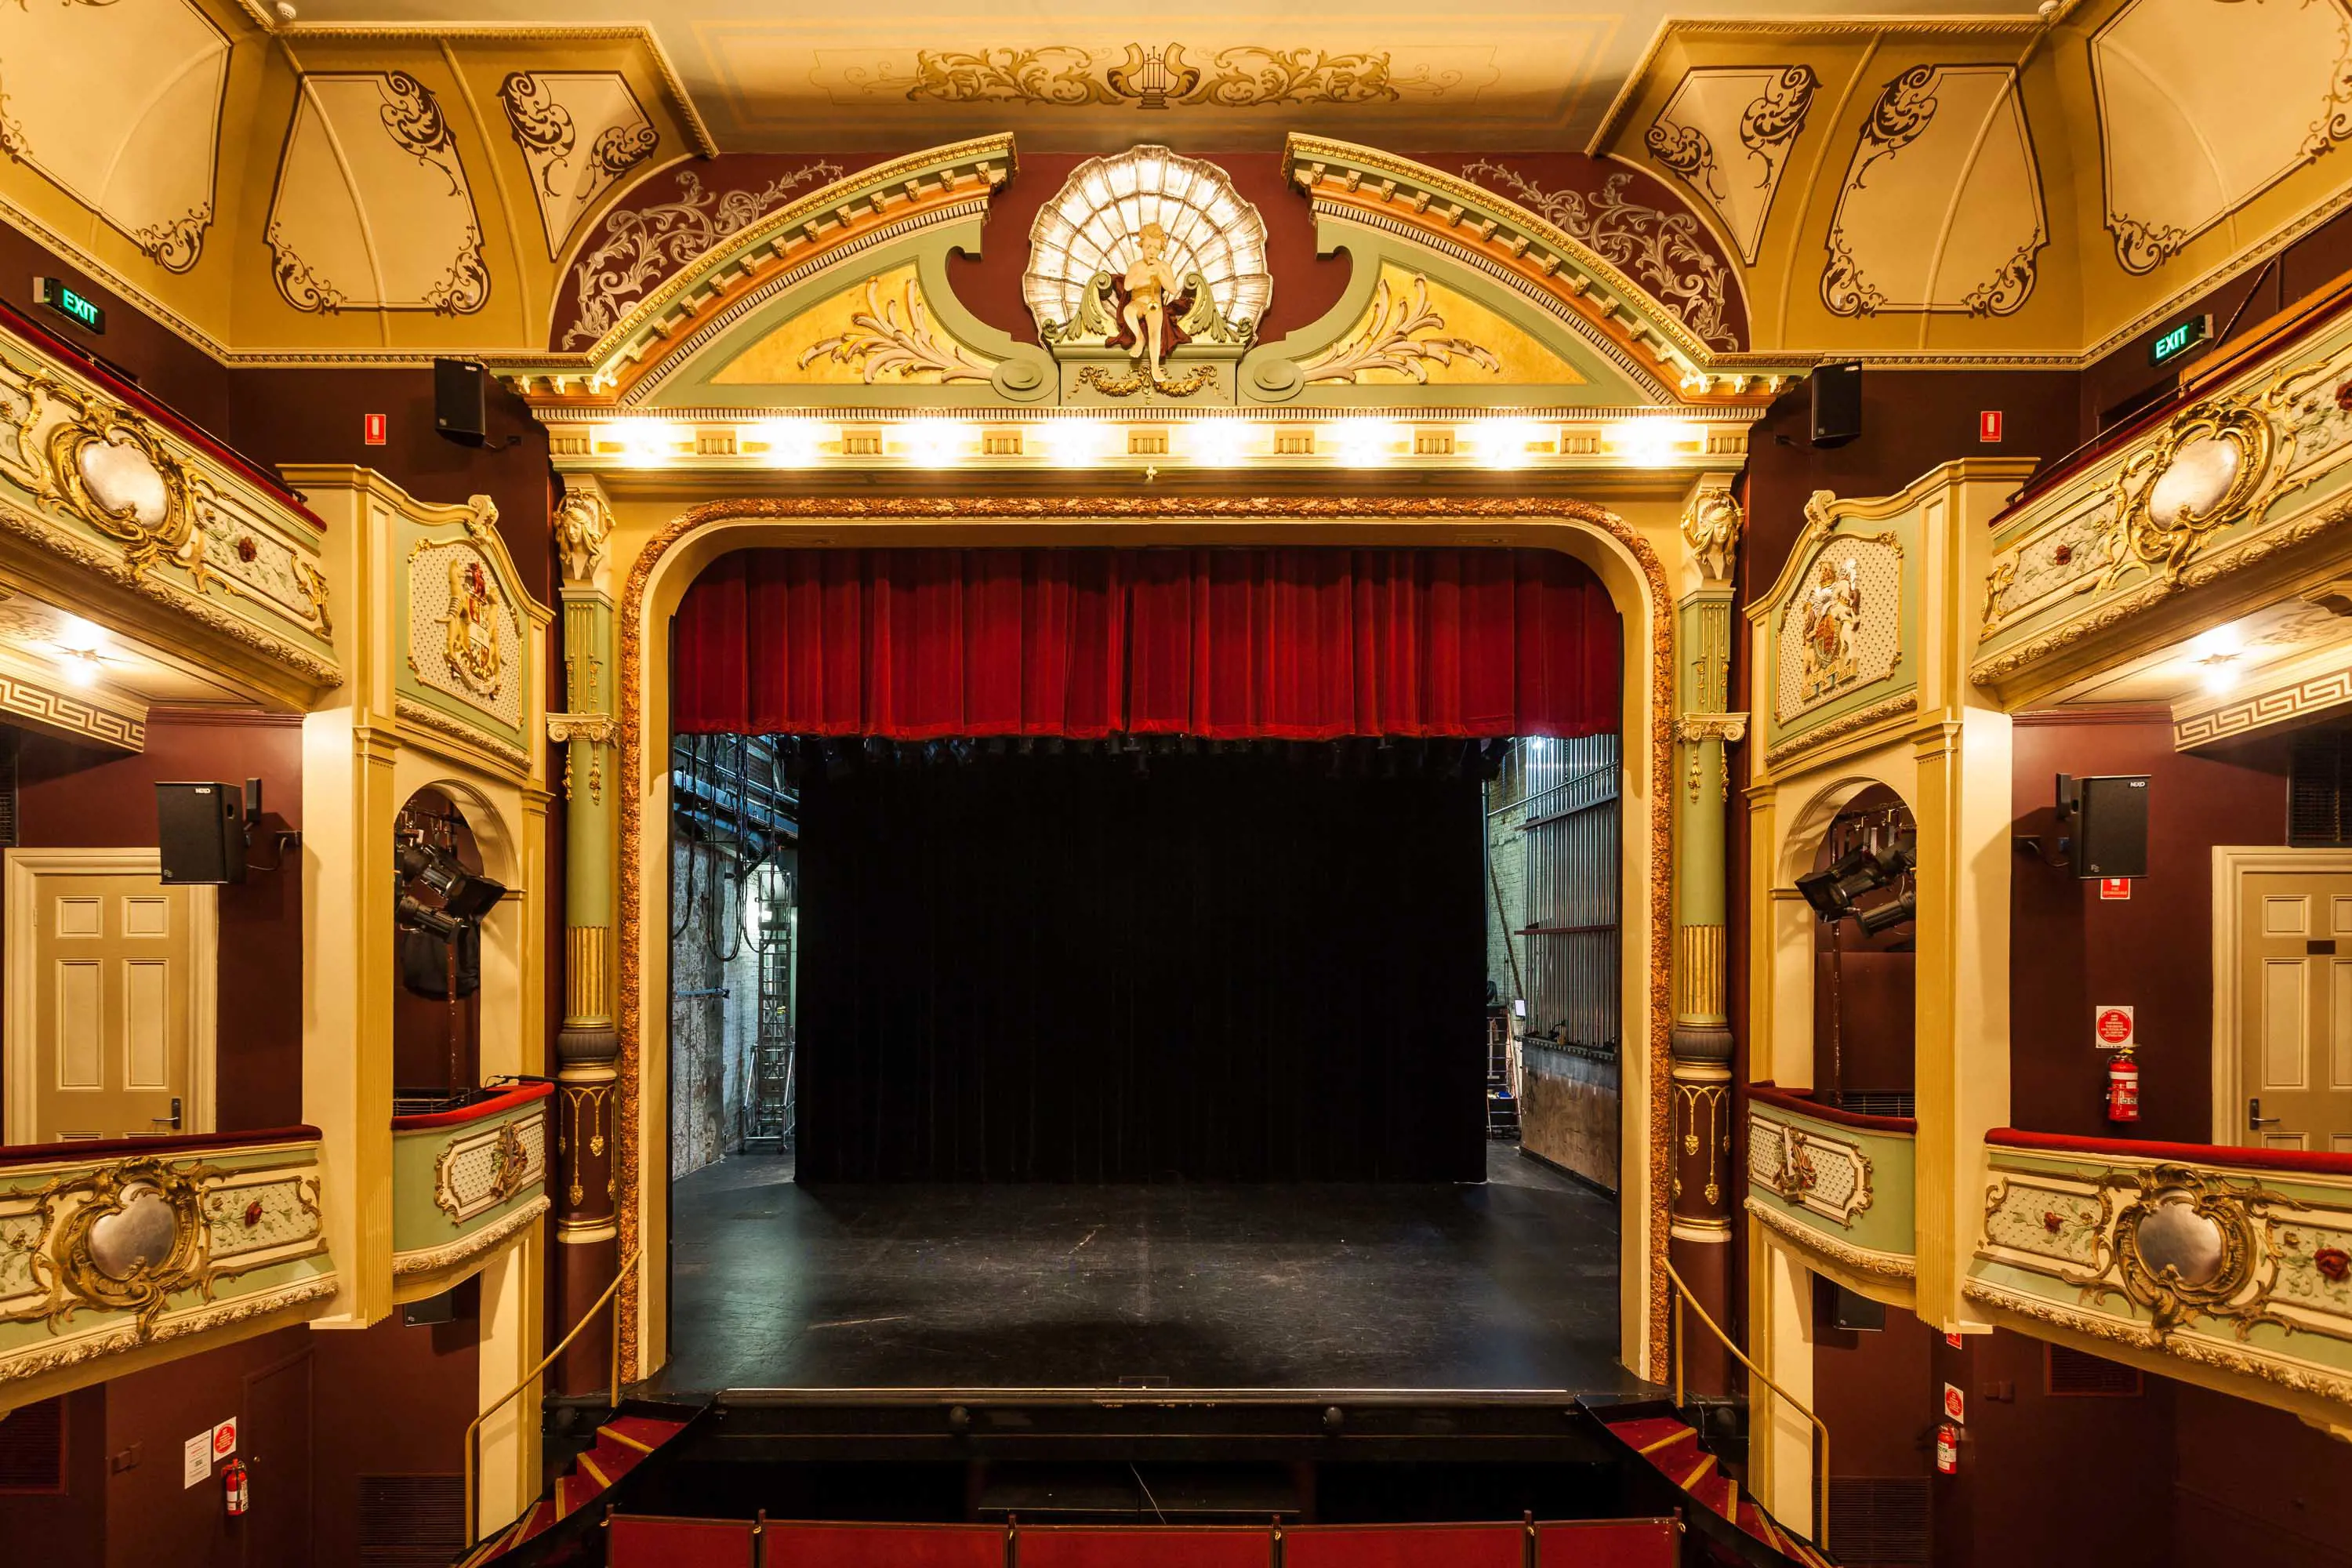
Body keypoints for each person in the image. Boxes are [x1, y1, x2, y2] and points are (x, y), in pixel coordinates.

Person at [1120, 221, 1184, 381]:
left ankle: (1155, 366)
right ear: (1141, 246)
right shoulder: (1136, 266)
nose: (1152, 251)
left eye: (1156, 248)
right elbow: (1127, 286)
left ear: (1161, 249)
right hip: (1138, 302)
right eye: (1148, 247)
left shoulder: (1163, 267)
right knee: (1128, 311)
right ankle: (1139, 337)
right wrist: (1146, 274)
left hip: (1154, 306)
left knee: (1155, 332)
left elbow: (1173, 289)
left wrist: (1160, 274)